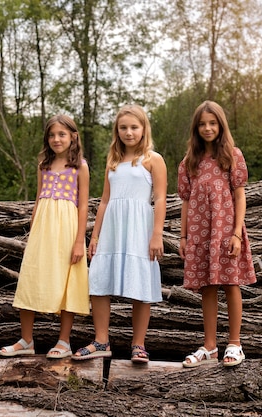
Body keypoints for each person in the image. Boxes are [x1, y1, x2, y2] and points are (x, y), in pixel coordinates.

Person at [72, 104, 167, 364]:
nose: (129, 132)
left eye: (134, 127)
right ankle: (101, 340)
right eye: (123, 128)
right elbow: (104, 200)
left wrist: (157, 234)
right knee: (100, 280)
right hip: (113, 227)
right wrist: (95, 236)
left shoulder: (152, 159)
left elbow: (159, 199)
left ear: (143, 129)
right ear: (117, 130)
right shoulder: (112, 160)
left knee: (140, 283)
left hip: (139, 228)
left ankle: (138, 344)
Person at [0, 115, 90, 359]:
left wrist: (80, 240)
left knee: (67, 280)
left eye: (62, 134)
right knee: (31, 276)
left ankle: (64, 341)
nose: (56, 139)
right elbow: (39, 198)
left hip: (68, 228)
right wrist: (33, 229)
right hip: (43, 228)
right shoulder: (43, 165)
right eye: (52, 135)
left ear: (73, 136)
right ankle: (26, 340)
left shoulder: (80, 166)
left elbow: (83, 206)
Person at [177, 100, 257, 368]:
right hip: (200, 233)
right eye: (202, 124)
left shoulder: (231, 156)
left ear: (221, 125)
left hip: (225, 231)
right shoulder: (190, 162)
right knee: (207, 287)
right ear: (196, 128)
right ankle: (210, 346)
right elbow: (186, 201)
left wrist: (236, 233)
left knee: (230, 283)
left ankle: (235, 344)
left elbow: (239, 195)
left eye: (212, 123)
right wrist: (184, 236)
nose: (207, 128)